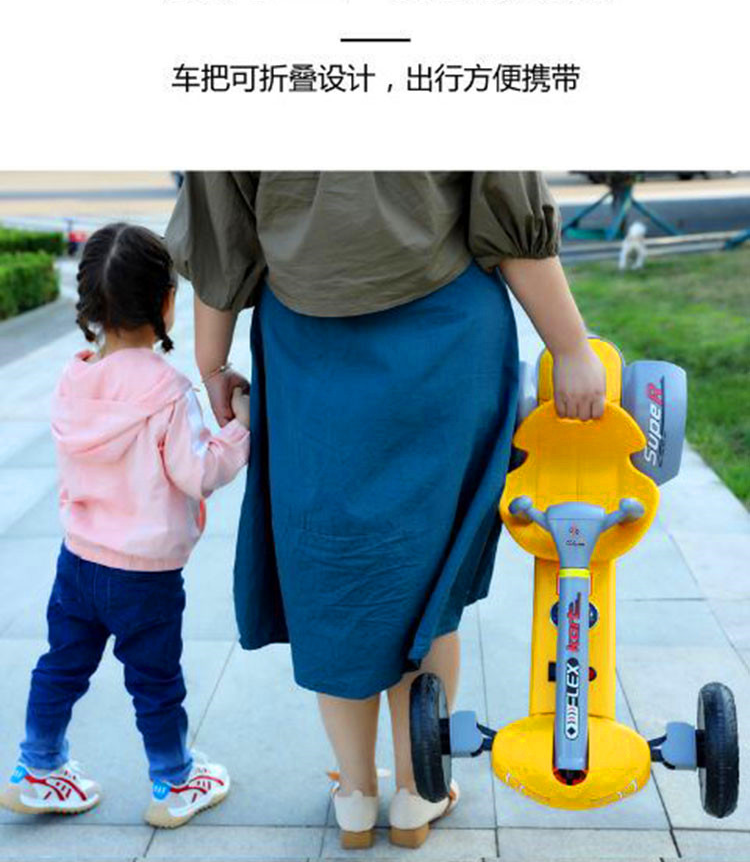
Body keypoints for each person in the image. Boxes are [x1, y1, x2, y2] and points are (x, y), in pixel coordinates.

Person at [166, 171, 606, 848]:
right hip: (442, 337)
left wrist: (212, 359)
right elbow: (504, 201)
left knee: (332, 578)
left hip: (307, 351)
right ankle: (418, 789)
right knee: (426, 576)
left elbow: (221, 222)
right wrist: (570, 345)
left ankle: (354, 793)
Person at [0, 223, 250, 829]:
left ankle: (37, 767)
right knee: (156, 683)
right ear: (167, 302)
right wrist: (240, 428)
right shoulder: (167, 391)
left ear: (89, 303)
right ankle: (174, 781)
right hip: (145, 576)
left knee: (61, 665)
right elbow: (198, 472)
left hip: (78, 562)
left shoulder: (74, 378)